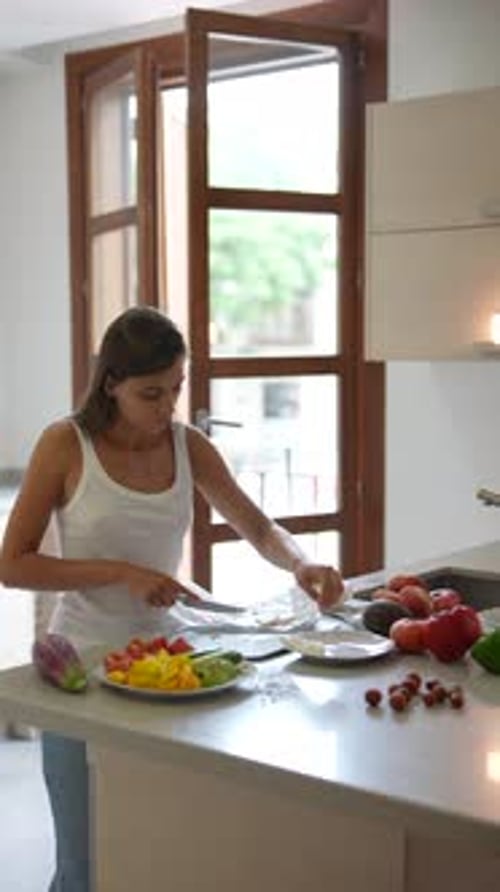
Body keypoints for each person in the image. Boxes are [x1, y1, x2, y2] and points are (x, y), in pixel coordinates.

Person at [0, 306, 344, 892]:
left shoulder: (189, 445)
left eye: (177, 390)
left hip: (168, 670)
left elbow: (259, 528)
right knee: (82, 868)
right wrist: (119, 572)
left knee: (160, 853)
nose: (167, 409)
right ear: (112, 384)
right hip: (81, 669)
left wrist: (301, 561)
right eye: (150, 394)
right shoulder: (65, 443)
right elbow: (13, 565)